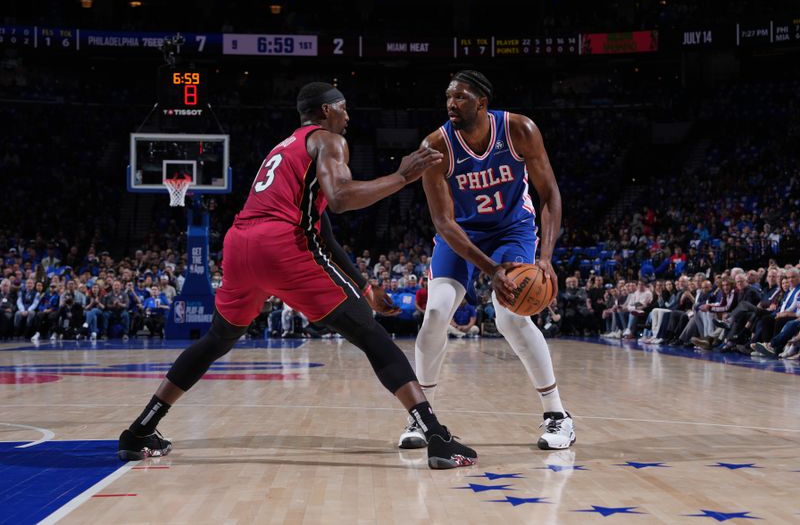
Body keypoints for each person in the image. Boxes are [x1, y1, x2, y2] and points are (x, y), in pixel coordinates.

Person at [118, 82, 476, 470]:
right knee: (371, 336)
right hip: (281, 244)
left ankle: (140, 430)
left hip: (240, 244)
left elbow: (322, 230)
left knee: (217, 339)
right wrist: (402, 176)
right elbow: (339, 199)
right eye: (343, 108)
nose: (348, 116)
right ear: (325, 111)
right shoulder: (328, 140)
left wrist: (365, 288)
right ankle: (437, 437)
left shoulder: (284, 147)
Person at [398, 70, 574, 451]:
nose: (450, 104)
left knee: (511, 314)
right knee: (436, 313)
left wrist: (545, 259)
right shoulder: (436, 146)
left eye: (459, 97)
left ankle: (557, 416)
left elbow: (550, 195)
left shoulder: (519, 130)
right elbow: (443, 223)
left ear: (481, 102)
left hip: (512, 229)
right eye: (448, 97)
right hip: (462, 235)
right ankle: (421, 418)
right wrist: (490, 269)